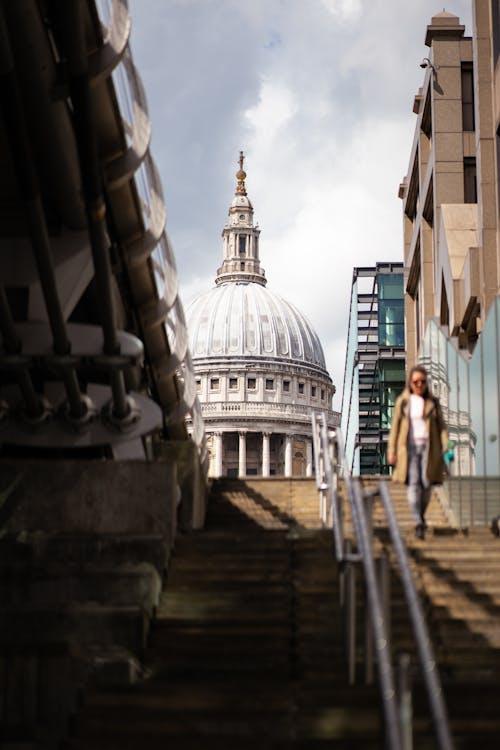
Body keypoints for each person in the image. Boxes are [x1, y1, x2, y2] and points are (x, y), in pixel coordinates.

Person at [388, 365, 448, 539]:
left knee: (427, 483)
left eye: (422, 381)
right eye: (416, 381)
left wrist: (446, 447)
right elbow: (395, 428)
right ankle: (418, 520)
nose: (419, 384)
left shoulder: (433, 402)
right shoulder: (404, 401)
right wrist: (392, 451)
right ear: (410, 383)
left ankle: (420, 515)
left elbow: (442, 428)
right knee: (414, 483)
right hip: (409, 448)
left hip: (430, 448)